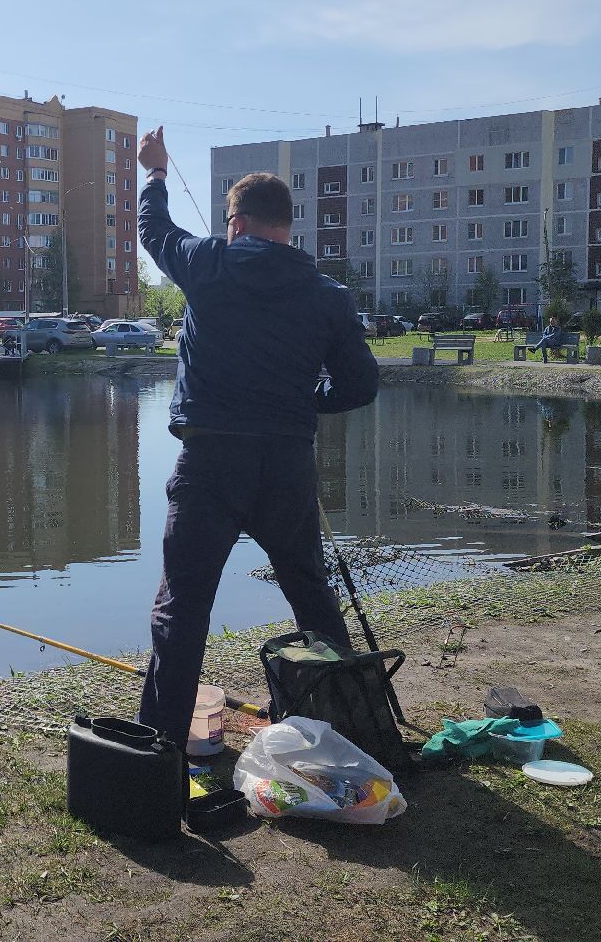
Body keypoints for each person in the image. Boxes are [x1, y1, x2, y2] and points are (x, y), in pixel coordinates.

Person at [132, 126, 379, 749]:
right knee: (311, 597)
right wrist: (304, 404)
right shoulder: (328, 296)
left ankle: (159, 752)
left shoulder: (210, 264)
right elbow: (359, 386)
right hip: (287, 465)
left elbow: (155, 233)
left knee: (182, 608)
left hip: (210, 462)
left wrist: (156, 174)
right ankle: (347, 724)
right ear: (287, 227)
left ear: (236, 223)